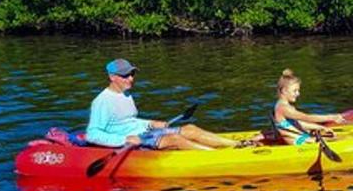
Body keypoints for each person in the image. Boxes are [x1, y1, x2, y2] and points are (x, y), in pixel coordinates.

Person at [86, 59, 247, 151]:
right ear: (112, 77)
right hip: (134, 143)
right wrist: (124, 139)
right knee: (175, 139)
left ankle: (239, 145)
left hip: (144, 133)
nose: (131, 79)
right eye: (125, 76)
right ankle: (216, 157)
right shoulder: (102, 102)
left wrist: (150, 123)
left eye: (132, 74)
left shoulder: (126, 93)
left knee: (190, 129)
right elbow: (92, 135)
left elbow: (129, 121)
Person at [271, 69, 345, 145]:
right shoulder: (283, 108)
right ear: (284, 91)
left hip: (299, 137)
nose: (298, 94)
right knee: (339, 141)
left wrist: (320, 127)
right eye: (295, 91)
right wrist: (332, 117)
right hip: (297, 142)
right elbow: (307, 117)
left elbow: (298, 124)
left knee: (334, 137)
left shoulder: (283, 105)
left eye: (298, 90)